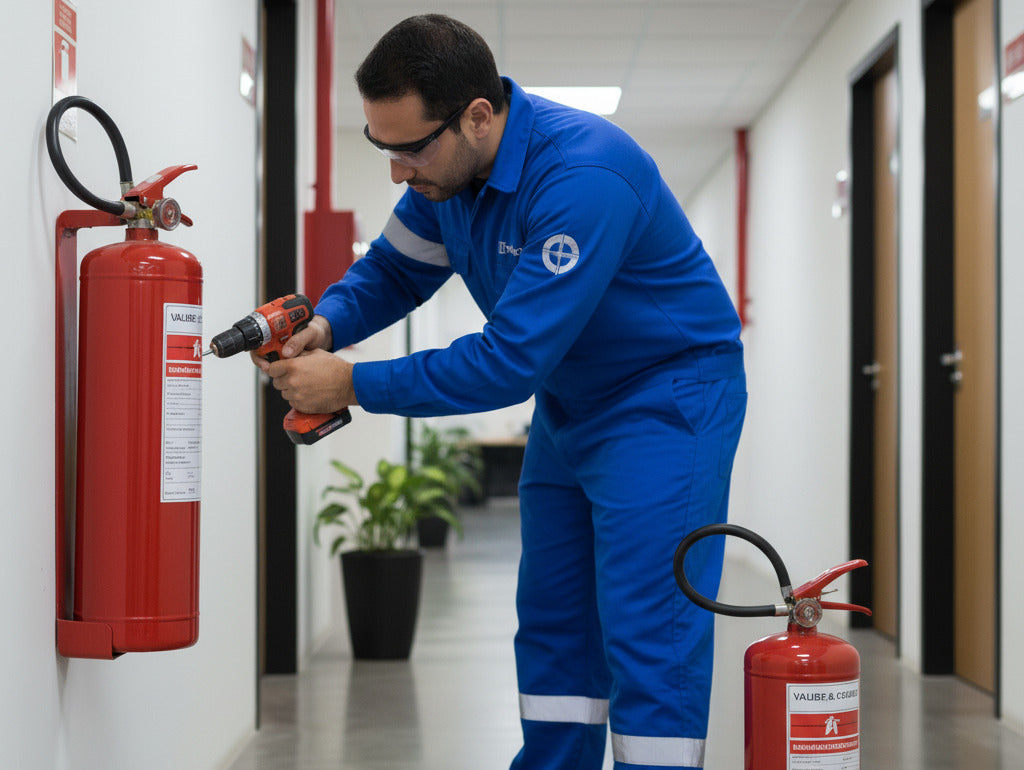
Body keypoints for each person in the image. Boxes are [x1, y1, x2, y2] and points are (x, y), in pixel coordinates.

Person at [257, 14, 746, 770]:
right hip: (570, 401)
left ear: (478, 116)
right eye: (380, 146)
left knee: (649, 629)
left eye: (410, 147)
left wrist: (350, 382)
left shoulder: (584, 175)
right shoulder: (445, 176)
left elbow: (508, 360)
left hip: (665, 401)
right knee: (554, 618)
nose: (397, 171)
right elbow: (393, 270)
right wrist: (326, 325)